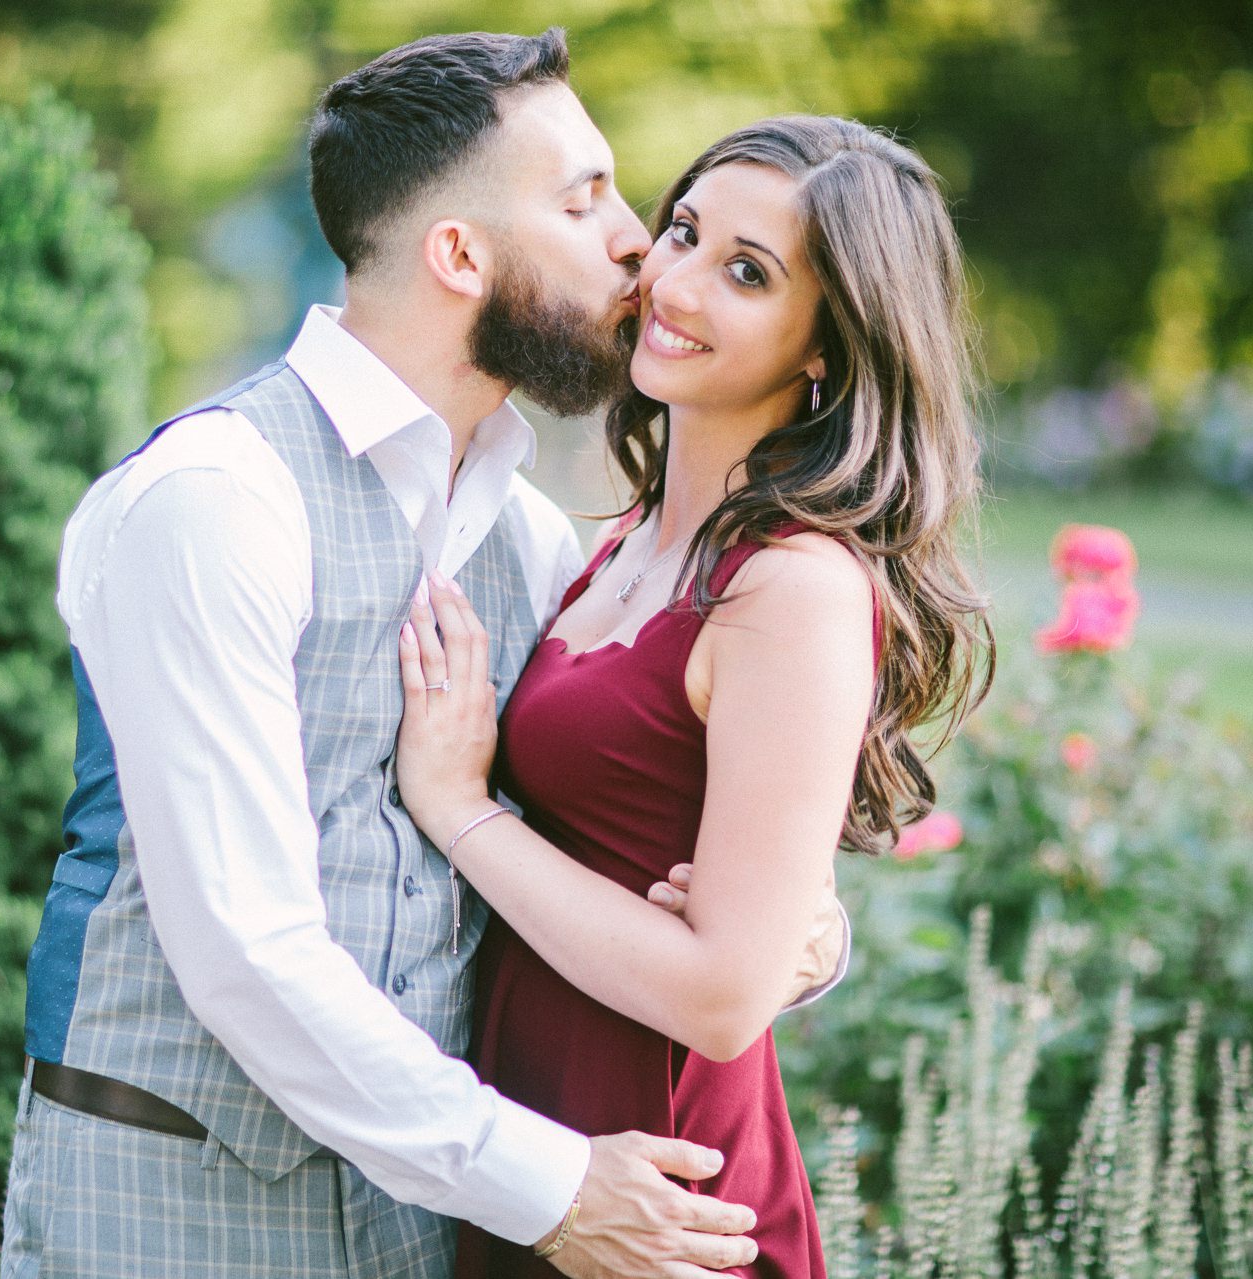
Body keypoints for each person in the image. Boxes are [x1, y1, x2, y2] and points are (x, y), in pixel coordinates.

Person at [0, 31, 848, 1279]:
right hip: (168, 1203)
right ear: (459, 253)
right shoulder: (216, 500)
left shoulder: (535, 543)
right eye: (584, 198)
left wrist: (800, 934)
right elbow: (245, 944)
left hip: (424, 1224)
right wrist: (551, 1185)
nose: (635, 242)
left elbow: (647, 828)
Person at [394, 115, 996, 1277]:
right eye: (682, 232)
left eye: (747, 273)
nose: (672, 281)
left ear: (827, 345)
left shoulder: (792, 585)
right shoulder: (624, 543)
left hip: (667, 1187)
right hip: (543, 1150)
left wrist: (460, 809)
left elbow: (724, 1001)